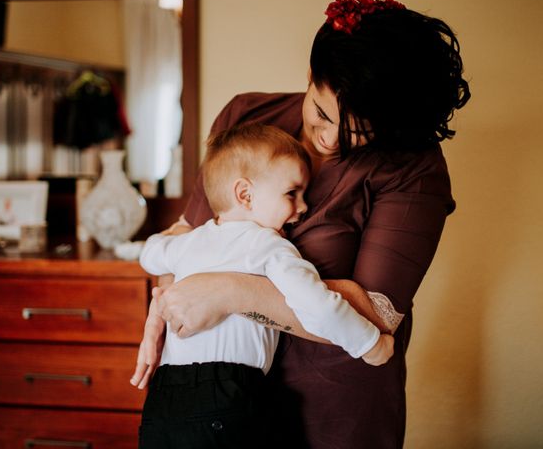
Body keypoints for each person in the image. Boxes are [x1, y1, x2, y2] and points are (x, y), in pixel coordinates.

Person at [151, 0, 471, 448]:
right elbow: (192, 237)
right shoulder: (247, 116)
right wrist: (160, 318)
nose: (329, 139)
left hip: (336, 402)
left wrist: (228, 292)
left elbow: (374, 312)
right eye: (321, 112)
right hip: (224, 394)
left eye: (357, 129)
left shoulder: (413, 168)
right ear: (309, 76)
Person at [132, 123, 394, 449]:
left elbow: (149, 255)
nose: (303, 207)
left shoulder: (189, 242)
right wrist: (369, 344)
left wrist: (170, 234)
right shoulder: (266, 244)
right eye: (291, 193)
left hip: (164, 397)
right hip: (228, 396)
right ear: (245, 194)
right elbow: (316, 304)